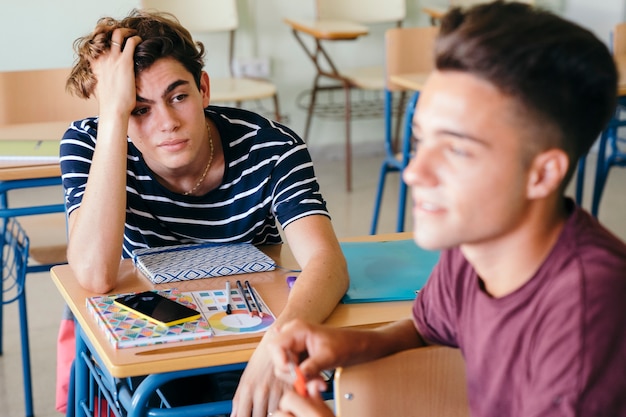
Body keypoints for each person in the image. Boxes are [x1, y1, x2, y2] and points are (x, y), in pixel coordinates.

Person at [268, 2, 626, 416]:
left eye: (456, 150)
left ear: (542, 174)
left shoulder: (588, 315)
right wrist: (348, 344)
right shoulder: (474, 245)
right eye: (421, 141)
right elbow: (427, 329)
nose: (415, 171)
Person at [56, 9, 348, 417]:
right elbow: (92, 275)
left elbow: (326, 261)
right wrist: (112, 119)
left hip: (249, 334)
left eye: (178, 97)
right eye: (140, 109)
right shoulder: (90, 144)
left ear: (204, 89)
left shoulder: (272, 148)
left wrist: (276, 343)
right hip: (152, 343)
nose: (168, 123)